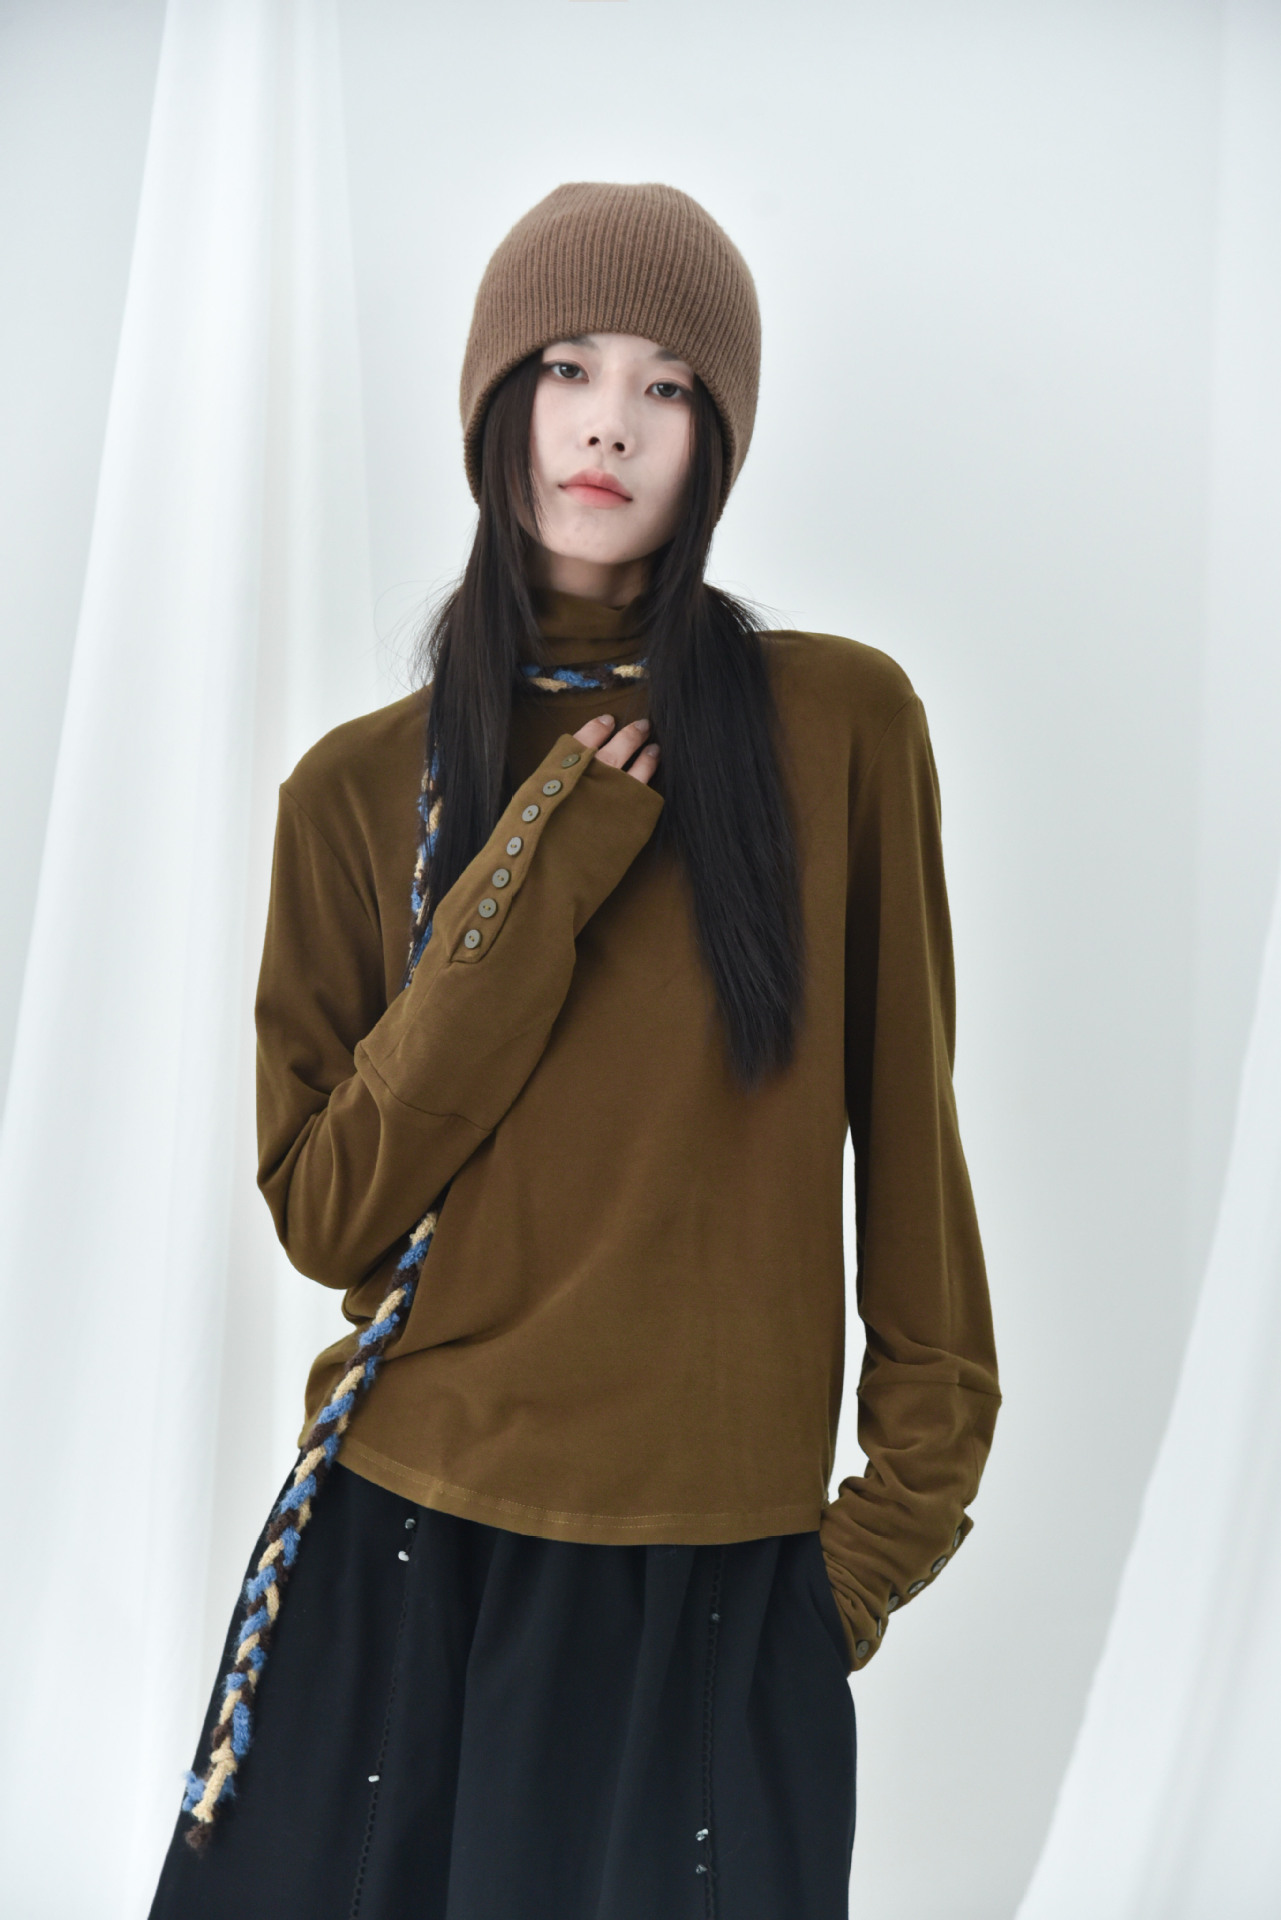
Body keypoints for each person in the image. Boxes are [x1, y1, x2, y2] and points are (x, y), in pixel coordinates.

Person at [148, 180, 1000, 1920]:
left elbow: (912, 1156)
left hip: (710, 1585)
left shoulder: (838, 730)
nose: (610, 420)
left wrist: (867, 1551)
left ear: (715, 442)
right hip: (394, 1549)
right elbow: (327, 1215)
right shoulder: (356, 791)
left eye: (667, 385)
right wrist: (536, 874)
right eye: (567, 366)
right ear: (497, 400)